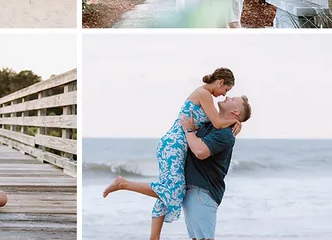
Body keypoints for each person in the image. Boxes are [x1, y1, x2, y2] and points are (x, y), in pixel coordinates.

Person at [102, 68, 243, 240]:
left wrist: (234, 121)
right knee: (174, 190)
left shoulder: (206, 96)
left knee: (168, 189)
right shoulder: (204, 93)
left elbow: (217, 123)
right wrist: (236, 120)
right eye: (226, 90)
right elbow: (218, 122)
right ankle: (123, 184)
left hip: (176, 145)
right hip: (174, 145)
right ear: (220, 82)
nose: (223, 94)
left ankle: (154, 237)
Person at [180, 97, 249, 240]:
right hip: (194, 192)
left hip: (203, 193)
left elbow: (200, 151)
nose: (227, 96)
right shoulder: (213, 125)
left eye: (232, 98)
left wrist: (188, 131)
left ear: (235, 110)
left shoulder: (225, 134)